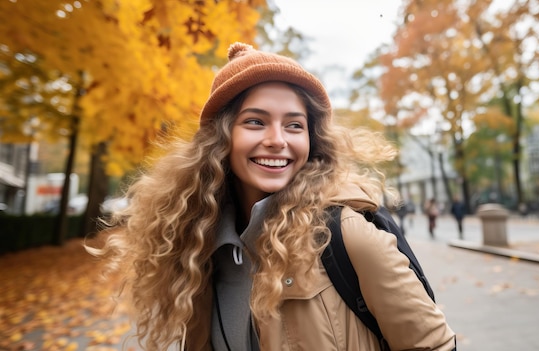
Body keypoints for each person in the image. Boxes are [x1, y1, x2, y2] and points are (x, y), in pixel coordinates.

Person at [88, 42, 455, 351]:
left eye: (294, 125)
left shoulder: (346, 232)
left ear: (311, 139)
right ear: (222, 138)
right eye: (256, 121)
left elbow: (434, 344)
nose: (278, 139)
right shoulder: (198, 248)